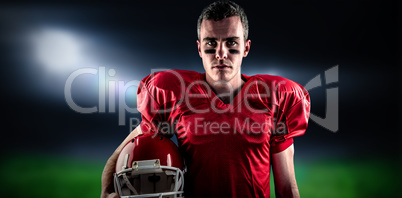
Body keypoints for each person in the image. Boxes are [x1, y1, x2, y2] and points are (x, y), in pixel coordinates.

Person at [101, 1, 310, 198]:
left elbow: (286, 186)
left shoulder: (273, 98)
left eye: (231, 43)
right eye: (211, 43)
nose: (221, 53)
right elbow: (132, 145)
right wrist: (107, 190)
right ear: (200, 48)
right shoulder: (176, 94)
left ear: (246, 48)